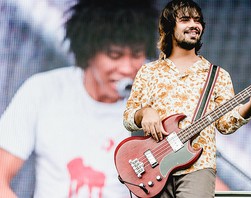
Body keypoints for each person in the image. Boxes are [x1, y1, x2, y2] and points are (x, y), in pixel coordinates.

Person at [0, 0, 157, 197]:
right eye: (114, 55)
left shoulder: (155, 105)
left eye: (136, 55)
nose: (126, 68)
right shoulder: (43, 90)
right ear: (88, 51)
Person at [123, 0, 251, 197]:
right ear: (169, 27)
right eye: (185, 19)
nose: (194, 25)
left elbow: (226, 124)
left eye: (198, 20)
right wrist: (145, 113)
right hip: (154, 166)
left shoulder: (217, 75)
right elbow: (128, 118)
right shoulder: (149, 72)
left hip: (198, 166)